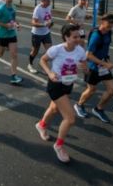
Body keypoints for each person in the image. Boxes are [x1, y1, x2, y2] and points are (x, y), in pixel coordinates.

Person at [35, 24, 87, 163]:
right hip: (56, 85)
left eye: (79, 36)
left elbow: (85, 68)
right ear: (66, 37)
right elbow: (42, 60)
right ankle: (58, 146)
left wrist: (83, 68)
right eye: (74, 37)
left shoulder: (80, 51)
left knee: (54, 108)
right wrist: (50, 73)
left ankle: (41, 125)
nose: (78, 39)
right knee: (70, 119)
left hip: (68, 85)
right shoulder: (56, 49)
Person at [74, 13, 113, 123]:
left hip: (103, 66)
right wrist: (105, 64)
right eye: (109, 23)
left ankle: (98, 109)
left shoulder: (109, 32)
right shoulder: (96, 36)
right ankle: (79, 105)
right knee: (92, 89)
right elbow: (88, 55)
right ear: (102, 22)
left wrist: (107, 60)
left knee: (112, 91)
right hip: (93, 67)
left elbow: (105, 48)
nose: (111, 25)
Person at [0, 0, 23, 84]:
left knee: (14, 54)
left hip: (12, 34)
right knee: (0, 53)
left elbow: (13, 18)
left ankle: (13, 76)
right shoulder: (1, 9)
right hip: (2, 35)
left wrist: (17, 24)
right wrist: (5, 25)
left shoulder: (14, 7)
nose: (10, 0)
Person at [28, 0, 53, 74]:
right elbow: (32, 23)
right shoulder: (37, 9)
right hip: (37, 34)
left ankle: (42, 63)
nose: (50, 1)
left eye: (50, 0)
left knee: (50, 51)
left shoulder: (49, 6)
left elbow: (48, 17)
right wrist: (44, 24)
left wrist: (50, 24)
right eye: (48, 0)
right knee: (35, 51)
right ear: (43, 0)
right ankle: (30, 65)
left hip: (46, 33)